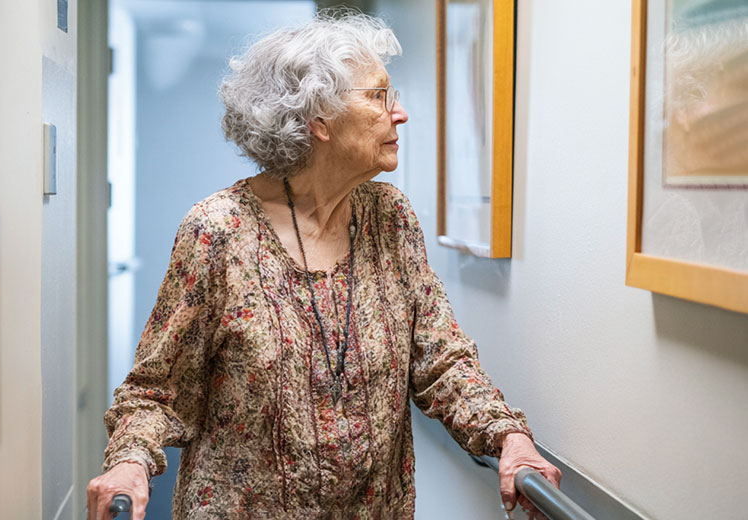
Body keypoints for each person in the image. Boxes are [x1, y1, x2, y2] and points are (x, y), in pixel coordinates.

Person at [87, 11, 560, 519]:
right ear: (319, 120)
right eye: (378, 96)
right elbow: (155, 390)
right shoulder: (219, 230)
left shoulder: (391, 218)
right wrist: (129, 463)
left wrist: (509, 436)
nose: (400, 113)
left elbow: (441, 360)